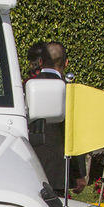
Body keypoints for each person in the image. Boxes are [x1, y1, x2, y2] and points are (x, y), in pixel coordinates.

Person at [33, 41, 87, 195]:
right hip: (58, 169)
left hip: (31, 165)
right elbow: (73, 133)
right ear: (66, 63)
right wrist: (79, 173)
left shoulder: (28, 86)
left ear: (41, 61)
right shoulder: (69, 91)